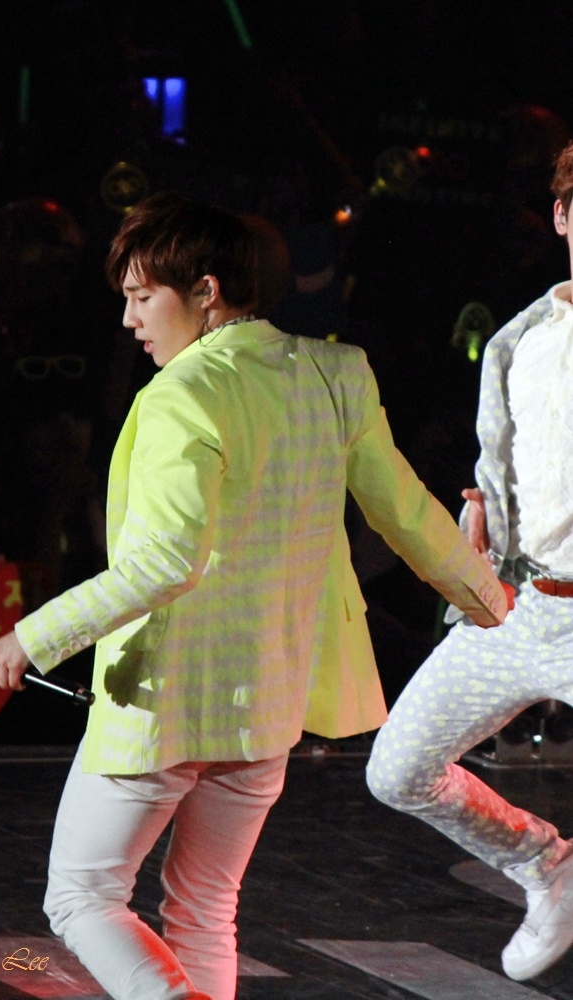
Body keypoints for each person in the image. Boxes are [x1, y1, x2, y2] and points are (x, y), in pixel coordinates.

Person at [0, 191, 506, 1000]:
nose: (128, 319)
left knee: (81, 898)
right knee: (205, 910)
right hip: (266, 702)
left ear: (207, 291)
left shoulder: (181, 394)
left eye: (141, 296)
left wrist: (31, 638)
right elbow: (402, 511)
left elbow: (164, 564)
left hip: (165, 702)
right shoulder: (335, 372)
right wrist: (487, 598)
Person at [367, 139, 573, 984]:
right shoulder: (518, 341)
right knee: (398, 770)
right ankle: (547, 867)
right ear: (561, 216)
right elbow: (503, 459)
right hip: (522, 605)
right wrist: (482, 513)